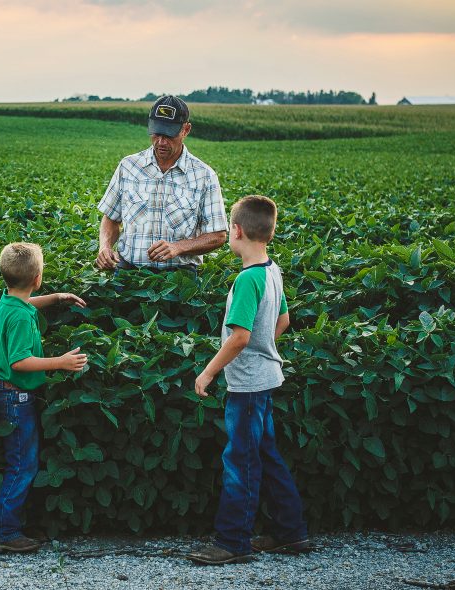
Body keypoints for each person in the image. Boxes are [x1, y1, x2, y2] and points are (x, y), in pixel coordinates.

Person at [185, 195, 311, 565]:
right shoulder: (272, 270)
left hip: (247, 385)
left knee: (240, 460)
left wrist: (208, 371)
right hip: (266, 377)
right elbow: (283, 320)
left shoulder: (246, 280)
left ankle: (233, 541)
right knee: (266, 454)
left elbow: (238, 336)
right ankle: (291, 532)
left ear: (236, 231)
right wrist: (264, 347)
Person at [0, 242, 88, 553]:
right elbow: (20, 361)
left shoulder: (9, 301)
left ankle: (6, 528)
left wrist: (57, 298)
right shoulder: (19, 317)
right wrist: (60, 362)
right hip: (15, 397)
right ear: (37, 278)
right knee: (23, 464)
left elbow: (27, 303)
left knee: (22, 461)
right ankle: (3, 532)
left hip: (10, 393)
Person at [96, 95, 227, 272]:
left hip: (180, 277)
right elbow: (110, 218)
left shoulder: (204, 175)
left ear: (186, 130)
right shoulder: (128, 166)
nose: (161, 142)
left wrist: (179, 247)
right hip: (129, 270)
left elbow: (217, 236)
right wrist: (105, 247)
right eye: (157, 133)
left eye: (169, 134)